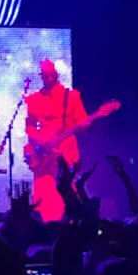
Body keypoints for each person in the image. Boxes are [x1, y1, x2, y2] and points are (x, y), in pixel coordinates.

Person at [24, 59, 90, 221]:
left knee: (66, 192)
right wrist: (38, 140)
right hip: (44, 156)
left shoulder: (71, 97)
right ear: (41, 76)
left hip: (66, 154)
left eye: (52, 75)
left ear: (57, 75)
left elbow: (82, 123)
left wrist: (84, 124)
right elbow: (30, 126)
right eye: (45, 76)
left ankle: (70, 225)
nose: (49, 79)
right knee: (43, 195)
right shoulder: (34, 99)